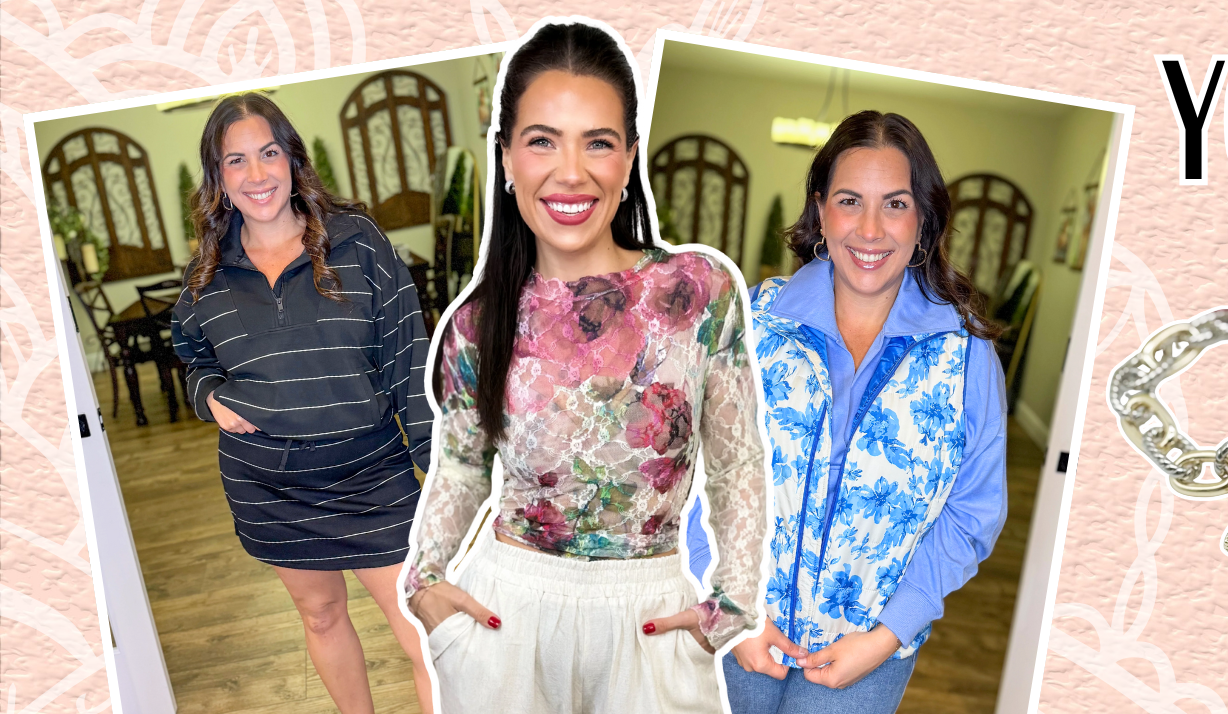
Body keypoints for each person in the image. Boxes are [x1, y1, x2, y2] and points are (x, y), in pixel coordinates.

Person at [399, 17, 768, 713]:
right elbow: (461, 466)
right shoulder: (479, 324)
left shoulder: (697, 293)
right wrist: (423, 583)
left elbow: (738, 460)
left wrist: (735, 601)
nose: (571, 172)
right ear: (506, 157)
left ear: (628, 159)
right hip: (510, 617)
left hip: (652, 620)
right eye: (542, 141)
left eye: (597, 143)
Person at [725, 109, 1009, 713]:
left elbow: (973, 514)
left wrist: (888, 634)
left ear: (924, 221)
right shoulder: (755, 321)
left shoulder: (965, 354)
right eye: (850, 201)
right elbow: (701, 466)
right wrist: (731, 604)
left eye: (896, 204)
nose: (871, 229)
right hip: (742, 623)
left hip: (868, 652)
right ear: (821, 212)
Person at [171, 92, 435, 713]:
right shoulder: (206, 274)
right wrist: (208, 395)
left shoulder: (357, 242)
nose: (256, 175)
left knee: (427, 637)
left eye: (268, 153)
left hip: (374, 475)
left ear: (292, 157)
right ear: (218, 177)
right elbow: (192, 356)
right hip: (269, 484)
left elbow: (409, 357)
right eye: (236, 161)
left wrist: (445, 474)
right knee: (319, 616)